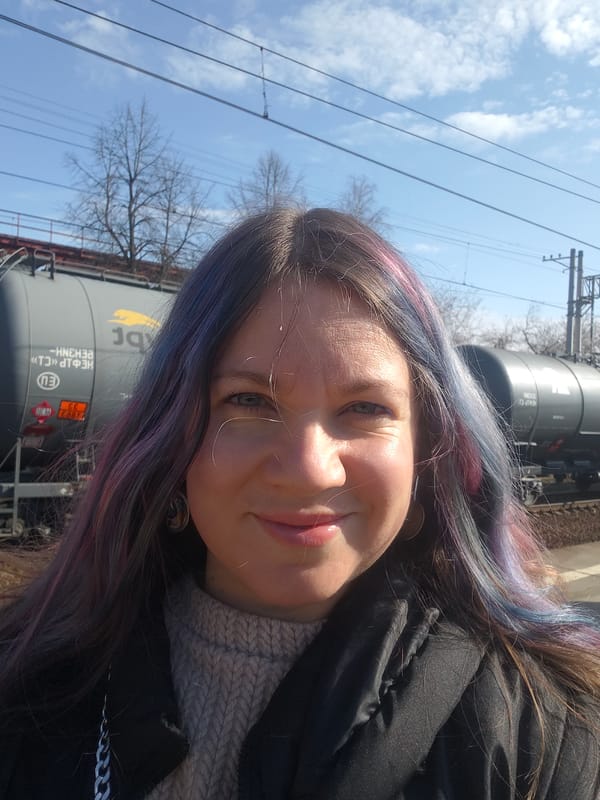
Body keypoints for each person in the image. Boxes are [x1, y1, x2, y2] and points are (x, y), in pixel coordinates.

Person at [0, 207, 599, 800]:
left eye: (365, 408)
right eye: (248, 401)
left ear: (427, 456)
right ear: (171, 437)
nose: (311, 469)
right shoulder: (27, 685)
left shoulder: (547, 740)